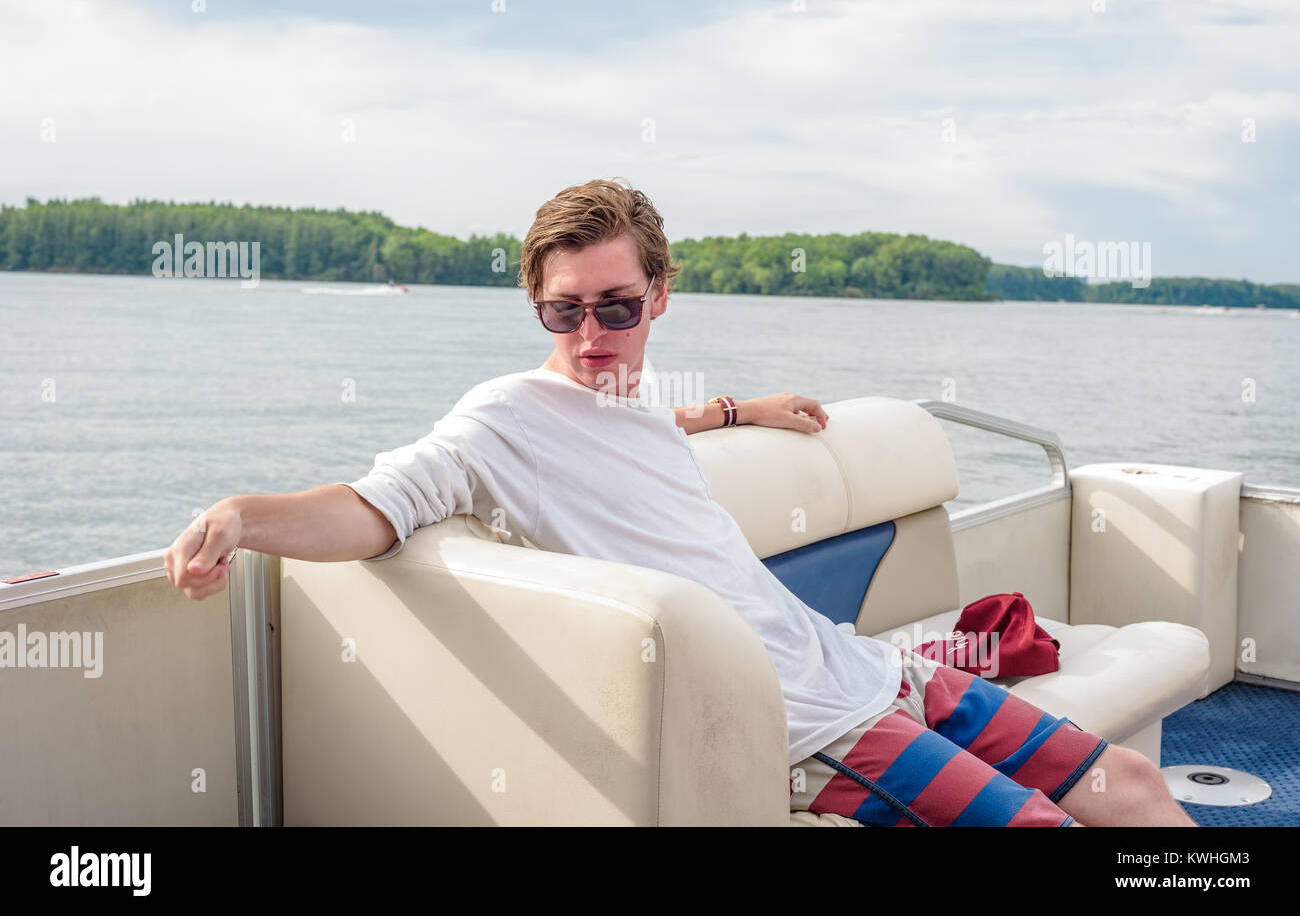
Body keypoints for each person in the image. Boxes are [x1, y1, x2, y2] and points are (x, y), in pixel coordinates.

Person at [165, 177, 1195, 827]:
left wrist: (738, 409)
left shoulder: (634, 402)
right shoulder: (501, 421)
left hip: (868, 666)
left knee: (1134, 789)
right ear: (535, 305)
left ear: (658, 295)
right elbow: (374, 506)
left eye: (615, 305)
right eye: (562, 310)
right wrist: (244, 517)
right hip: (806, 732)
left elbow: (647, 425)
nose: (590, 333)